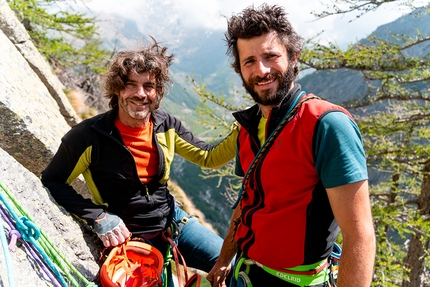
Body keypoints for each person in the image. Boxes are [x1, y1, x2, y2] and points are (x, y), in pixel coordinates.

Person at [40, 37, 238, 287]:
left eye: (149, 86)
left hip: (173, 222)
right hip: (129, 236)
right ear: (117, 89)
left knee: (235, 267)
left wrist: (242, 129)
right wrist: (99, 216)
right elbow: (53, 180)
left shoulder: (166, 124)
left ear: (158, 92)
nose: (140, 94)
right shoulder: (88, 136)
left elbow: (209, 157)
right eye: (131, 85)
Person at [206, 4, 376, 287]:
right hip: (244, 272)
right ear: (239, 69)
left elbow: (359, 234)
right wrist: (224, 259)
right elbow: (246, 202)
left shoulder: (326, 125)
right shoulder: (249, 127)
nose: (261, 70)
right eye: (249, 61)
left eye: (271, 56)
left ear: (294, 57)